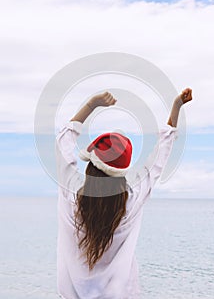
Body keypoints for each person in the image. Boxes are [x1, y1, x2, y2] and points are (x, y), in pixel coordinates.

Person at [55, 88, 192, 299]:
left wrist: (91, 105)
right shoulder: (131, 203)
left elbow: (63, 144)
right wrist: (176, 107)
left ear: (91, 166)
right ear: (122, 173)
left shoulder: (71, 199)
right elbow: (158, 159)